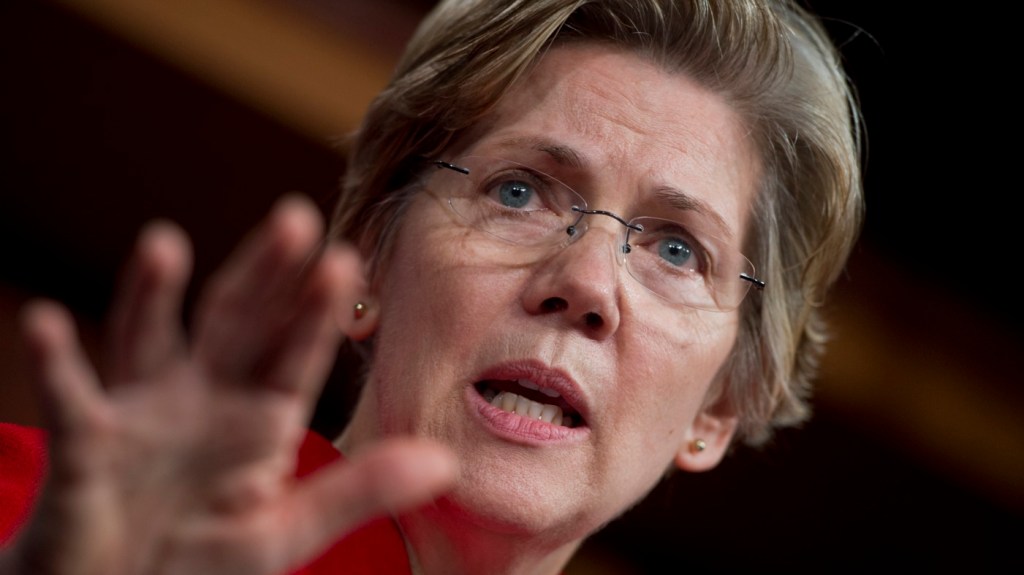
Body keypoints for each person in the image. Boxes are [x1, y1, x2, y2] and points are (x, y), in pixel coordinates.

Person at [0, 0, 864, 573]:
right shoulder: (58, 526)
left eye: (677, 251)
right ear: (370, 256)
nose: (586, 282)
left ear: (720, 406)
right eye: (518, 191)